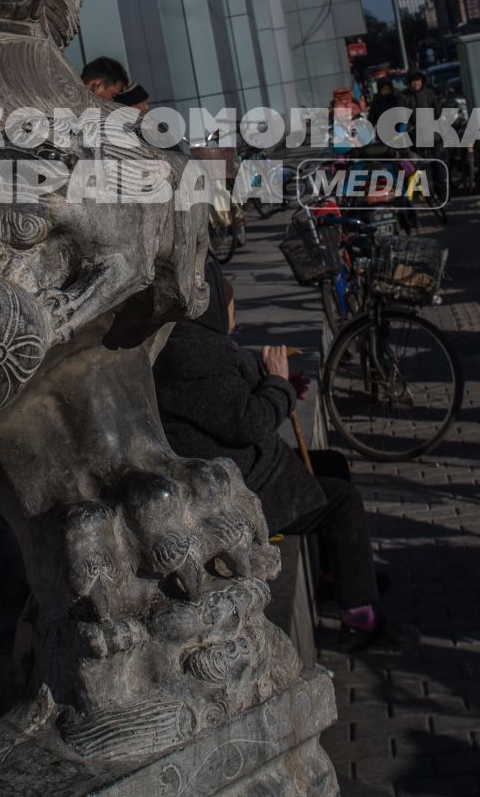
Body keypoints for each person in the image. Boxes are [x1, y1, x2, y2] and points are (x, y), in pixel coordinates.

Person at [152, 260, 418, 656]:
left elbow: (234, 397)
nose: (235, 319)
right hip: (238, 486)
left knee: (331, 465)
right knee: (343, 502)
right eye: (232, 308)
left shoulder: (196, 342)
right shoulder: (196, 355)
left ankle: (339, 574)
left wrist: (281, 386)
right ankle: (359, 616)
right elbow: (248, 422)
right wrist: (278, 384)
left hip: (240, 463)